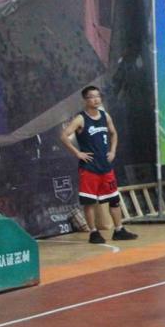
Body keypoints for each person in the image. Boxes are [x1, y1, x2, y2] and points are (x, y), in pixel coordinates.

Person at [59, 86, 137, 244]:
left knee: (114, 199)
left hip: (105, 166)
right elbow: (64, 135)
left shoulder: (105, 116)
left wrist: (113, 151)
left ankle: (119, 230)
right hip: (89, 167)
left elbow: (114, 133)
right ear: (85, 100)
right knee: (89, 202)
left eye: (98, 96)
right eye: (92, 97)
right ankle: (93, 232)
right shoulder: (81, 118)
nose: (96, 99)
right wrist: (77, 153)